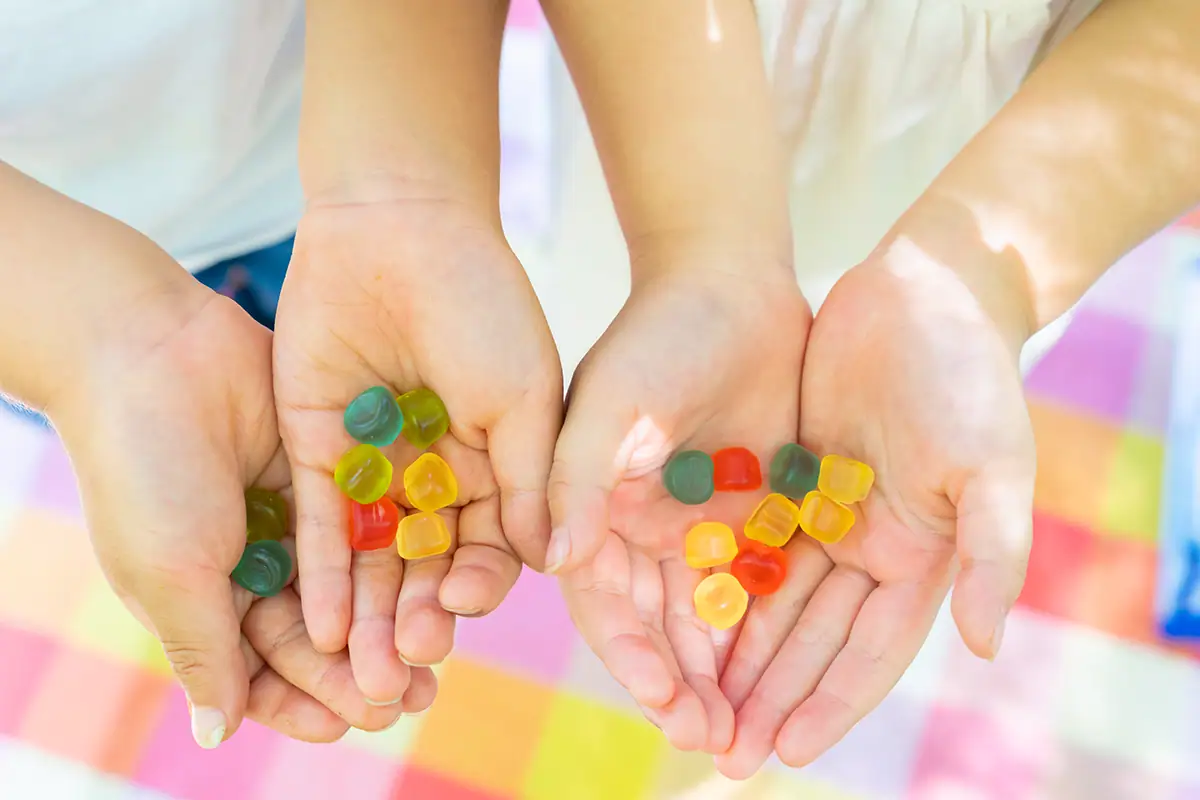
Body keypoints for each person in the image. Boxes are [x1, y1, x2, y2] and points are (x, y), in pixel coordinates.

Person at [536, 0, 1200, 781]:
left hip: (1011, 173)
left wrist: (982, 281)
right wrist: (697, 247)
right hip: (657, 127)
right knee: (622, 374)